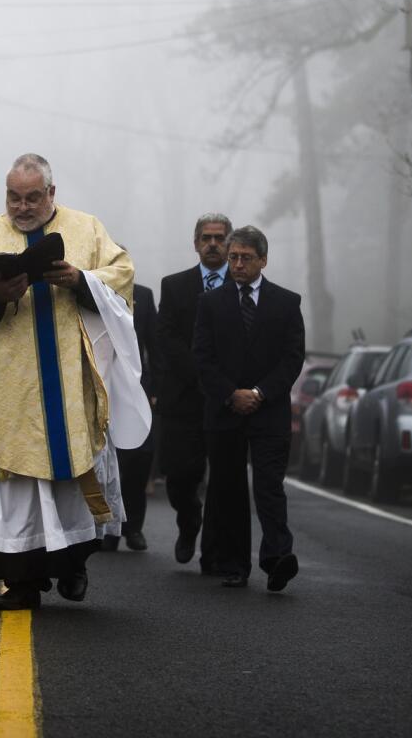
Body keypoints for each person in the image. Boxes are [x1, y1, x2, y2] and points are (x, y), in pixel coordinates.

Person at [0, 153, 150, 610]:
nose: (22, 207)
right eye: (13, 198)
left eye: (32, 197)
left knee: (67, 480)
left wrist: (82, 280)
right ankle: (20, 583)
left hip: (68, 381)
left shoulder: (87, 229)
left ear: (51, 194)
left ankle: (72, 567)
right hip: (5, 389)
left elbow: (122, 275)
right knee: (14, 488)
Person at [191, 225, 305, 593]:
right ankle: (234, 564)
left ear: (263, 260)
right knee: (229, 489)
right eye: (234, 257)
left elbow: (292, 359)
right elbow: (202, 357)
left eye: (246, 258)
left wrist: (259, 392)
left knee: (269, 486)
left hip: (268, 411)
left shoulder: (287, 303)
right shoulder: (211, 302)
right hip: (225, 413)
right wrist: (231, 394)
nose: (237, 264)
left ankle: (277, 558)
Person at [155, 212, 232, 571]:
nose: (213, 244)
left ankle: (215, 551)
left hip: (226, 400)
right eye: (206, 237)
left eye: (219, 238)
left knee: (223, 479)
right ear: (196, 243)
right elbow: (165, 337)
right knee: (179, 476)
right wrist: (201, 375)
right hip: (183, 398)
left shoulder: (242, 285)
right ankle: (189, 521)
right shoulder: (174, 286)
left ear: (229, 242)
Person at [106, 277, 158, 552]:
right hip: (101, 385)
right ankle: (108, 528)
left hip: (137, 387)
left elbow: (155, 344)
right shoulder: (87, 290)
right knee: (106, 461)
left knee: (139, 457)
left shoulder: (144, 296)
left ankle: (133, 527)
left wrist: (157, 389)